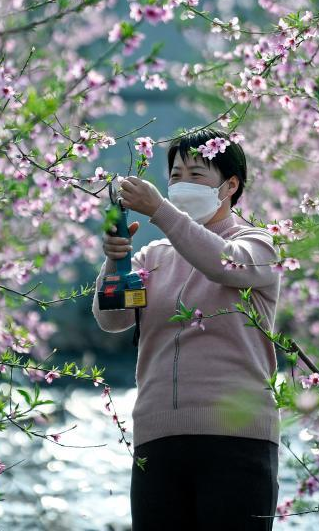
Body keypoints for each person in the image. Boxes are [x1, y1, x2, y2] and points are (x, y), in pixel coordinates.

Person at [91, 127, 283, 531]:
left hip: (239, 440)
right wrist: (116, 263)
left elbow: (222, 264)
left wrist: (160, 210)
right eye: (175, 176)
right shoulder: (154, 257)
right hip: (157, 441)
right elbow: (113, 320)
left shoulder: (258, 246)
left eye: (197, 175)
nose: (181, 185)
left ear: (230, 186)